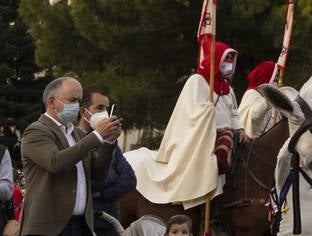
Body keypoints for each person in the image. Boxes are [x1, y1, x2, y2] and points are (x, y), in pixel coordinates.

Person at [124, 41, 243, 212]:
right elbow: (191, 111)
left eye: (232, 59)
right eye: (226, 58)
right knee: (215, 159)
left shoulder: (228, 89)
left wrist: (240, 129)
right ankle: (199, 206)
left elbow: (234, 114)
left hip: (225, 135)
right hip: (200, 137)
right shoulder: (197, 81)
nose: (229, 63)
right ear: (217, 59)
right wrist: (208, 112)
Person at [18, 77, 119, 236]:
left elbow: (98, 174)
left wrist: (108, 142)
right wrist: (97, 136)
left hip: (80, 226)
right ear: (52, 102)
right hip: (48, 228)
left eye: (79, 101)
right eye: (72, 100)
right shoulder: (36, 131)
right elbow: (55, 162)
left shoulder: (77, 134)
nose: (77, 106)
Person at [74, 92, 133, 236]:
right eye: (99, 108)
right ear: (83, 111)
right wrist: (113, 175)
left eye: (106, 108)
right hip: (86, 221)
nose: (105, 114)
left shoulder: (111, 142)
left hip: (111, 221)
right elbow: (90, 179)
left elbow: (130, 179)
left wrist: (103, 193)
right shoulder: (74, 140)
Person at [235, 63, 279, 139]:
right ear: (267, 75)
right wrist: (269, 99)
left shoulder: (264, 96)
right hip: (249, 141)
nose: (277, 79)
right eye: (275, 76)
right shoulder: (252, 93)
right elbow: (255, 115)